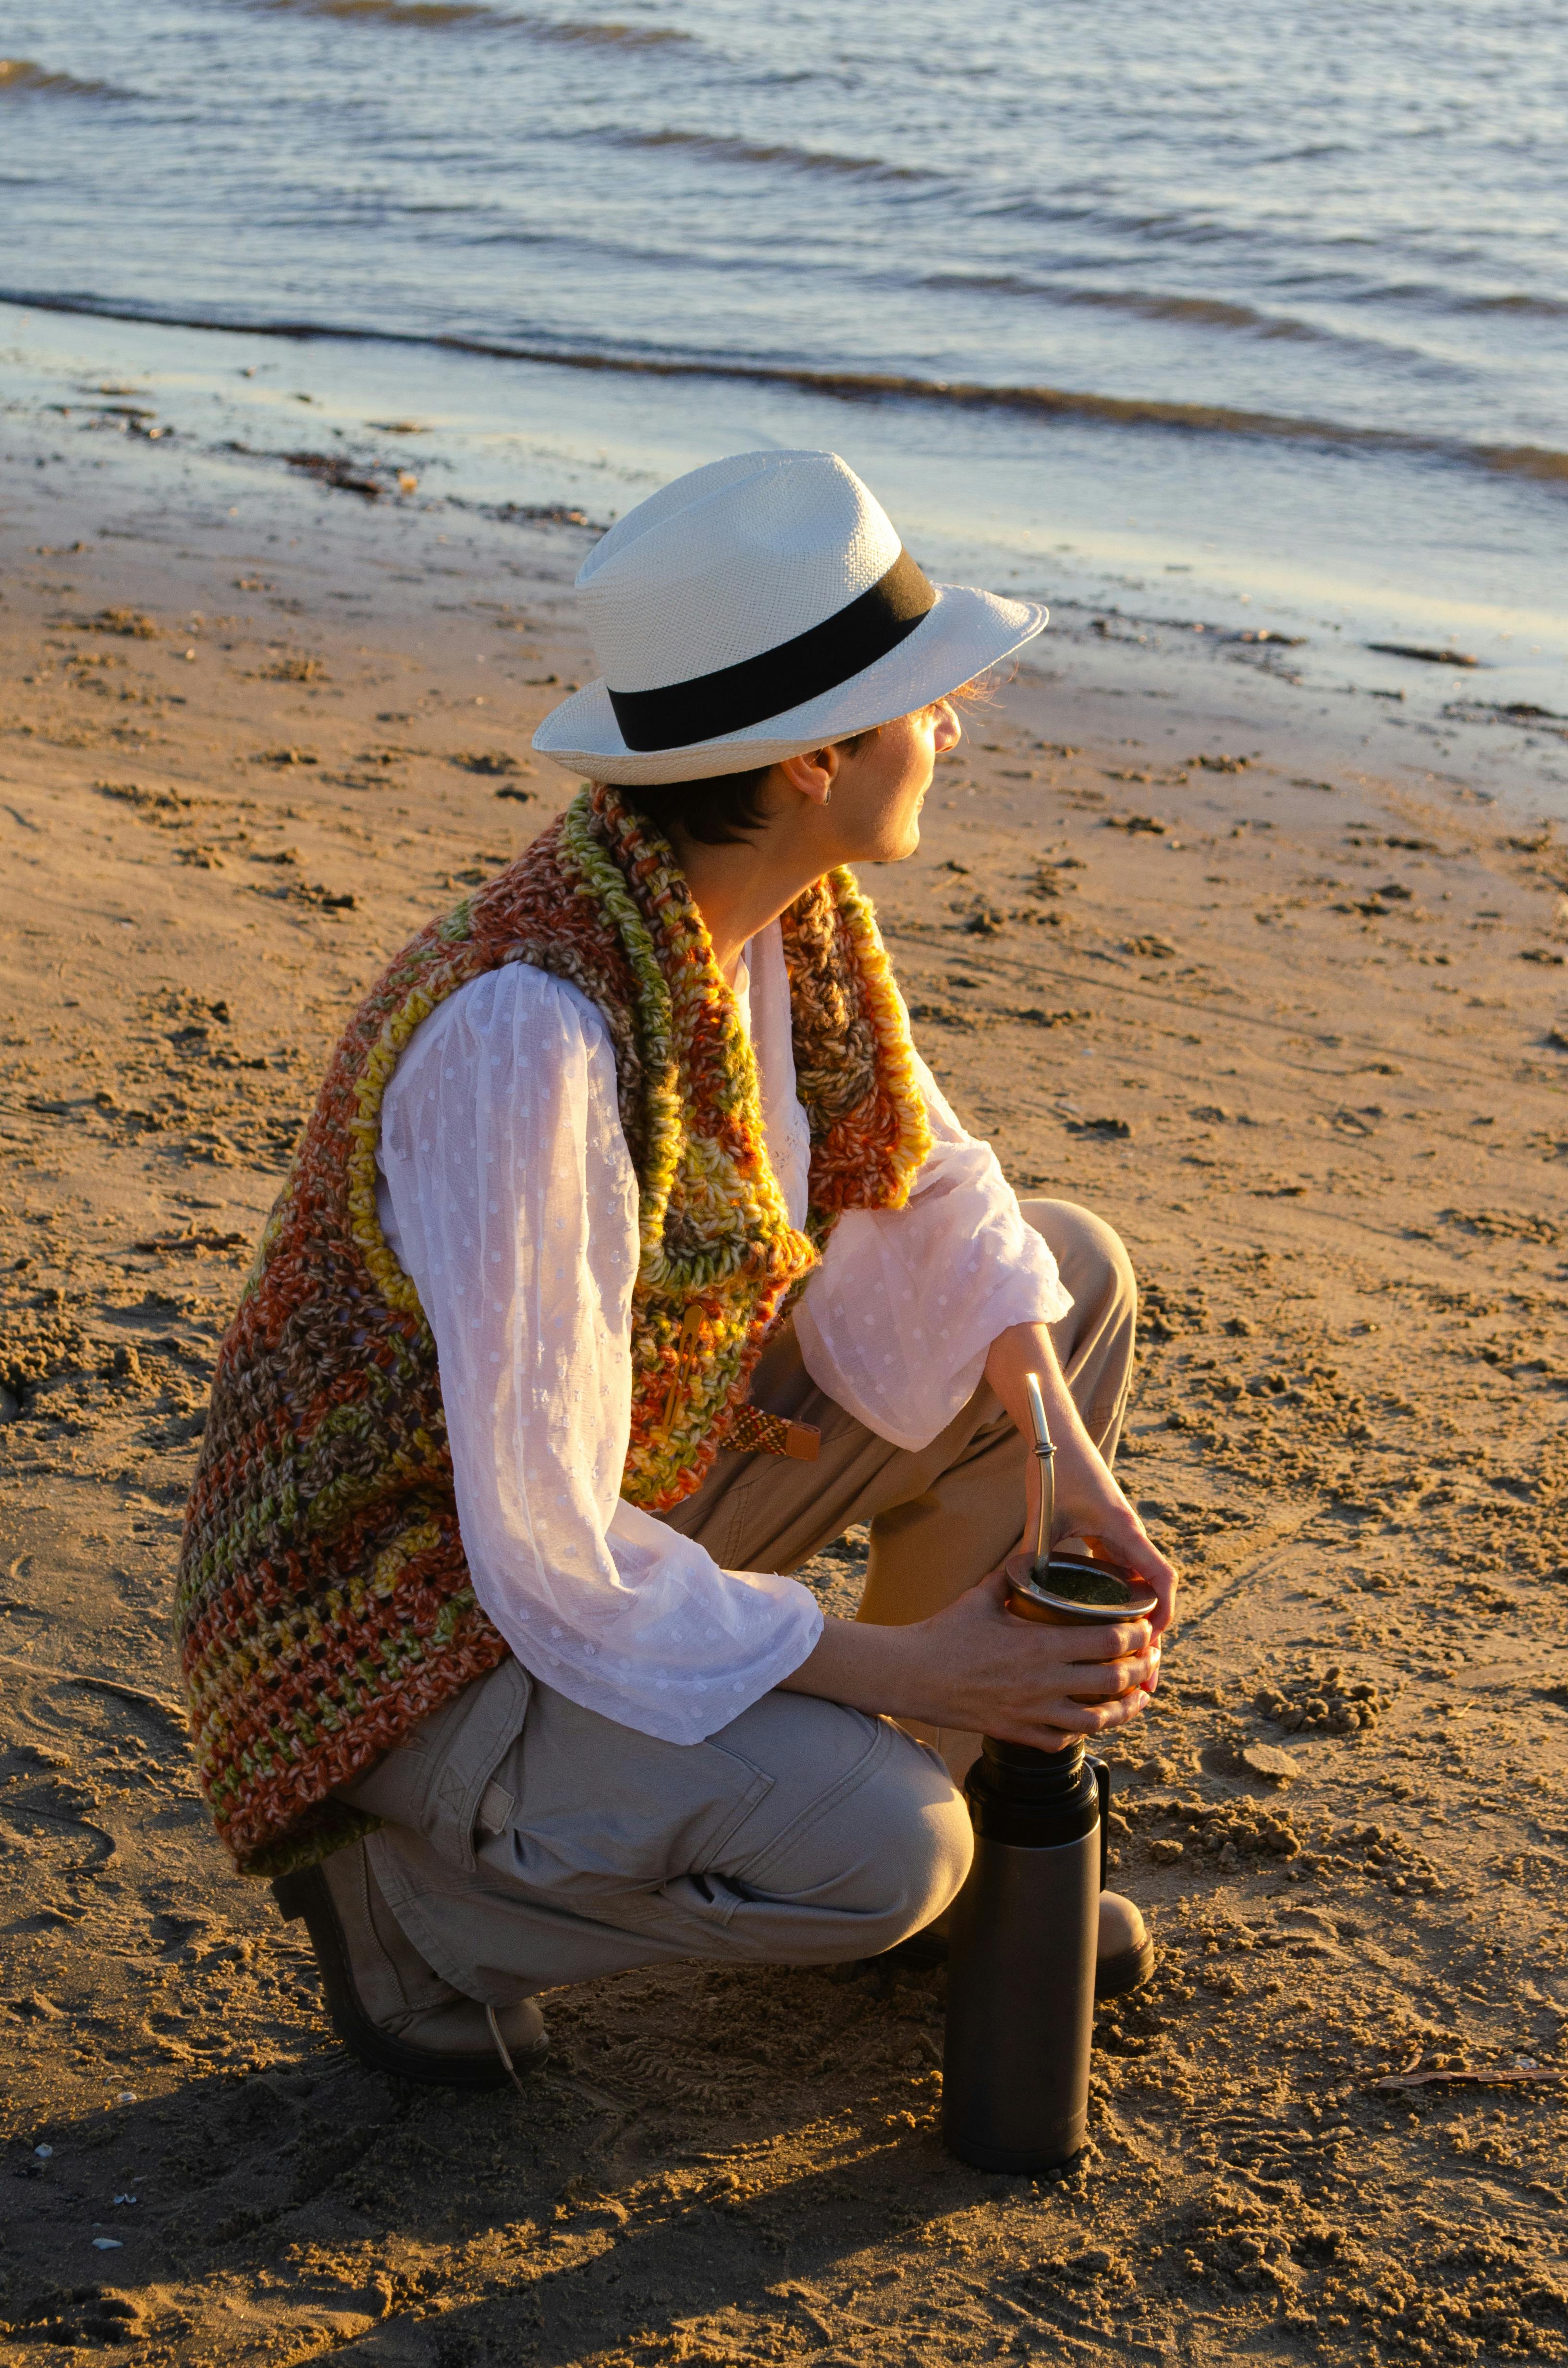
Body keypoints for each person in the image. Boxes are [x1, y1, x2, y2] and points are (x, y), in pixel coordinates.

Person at [176, 449, 1176, 2090]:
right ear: (810, 758)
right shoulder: (533, 1036)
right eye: (924, 704)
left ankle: (879, 1795)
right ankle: (415, 1916)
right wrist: (928, 1670)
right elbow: (549, 1555)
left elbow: (933, 1189)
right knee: (887, 1855)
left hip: (596, 1494)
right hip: (414, 1629)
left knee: (1064, 1279)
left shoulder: (781, 918)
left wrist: (1072, 1465)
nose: (954, 733)